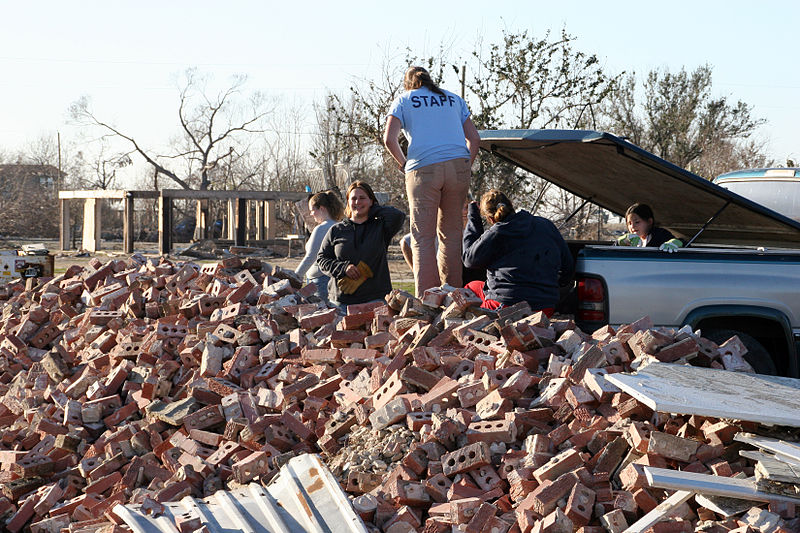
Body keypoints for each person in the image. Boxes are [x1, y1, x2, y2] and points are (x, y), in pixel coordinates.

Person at [383, 65, 480, 297]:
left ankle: (428, 299)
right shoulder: (454, 99)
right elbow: (474, 139)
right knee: (451, 235)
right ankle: (455, 297)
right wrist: (466, 165)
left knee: (423, 236)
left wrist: (403, 163)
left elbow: (389, 138)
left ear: (408, 83)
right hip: (458, 166)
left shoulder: (404, 100)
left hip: (423, 168)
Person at [462, 189, 574, 314]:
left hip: (505, 306)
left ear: (490, 218)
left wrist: (473, 217)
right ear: (511, 204)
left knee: (470, 289)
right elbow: (568, 268)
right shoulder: (546, 225)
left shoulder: (497, 233)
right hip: (545, 308)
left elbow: (469, 260)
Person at [316, 181, 405, 310]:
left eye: (362, 198)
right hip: (341, 302)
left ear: (371, 201)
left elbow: (398, 216)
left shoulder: (380, 227)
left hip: (376, 299)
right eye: (353, 198)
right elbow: (322, 260)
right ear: (348, 202)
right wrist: (343, 268)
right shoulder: (337, 230)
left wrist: (374, 209)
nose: (357, 202)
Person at [294, 190, 344, 302]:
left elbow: (311, 256)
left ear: (322, 208)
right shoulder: (339, 225)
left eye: (312, 210)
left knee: (320, 314)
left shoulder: (321, 228)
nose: (311, 214)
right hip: (331, 280)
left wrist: (295, 277)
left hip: (320, 282)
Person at [617, 203, 683, 252]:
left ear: (649, 221)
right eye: (629, 223)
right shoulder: (629, 239)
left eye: (637, 222)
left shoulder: (659, 234)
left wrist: (676, 242)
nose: (632, 226)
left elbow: (685, 244)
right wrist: (620, 242)